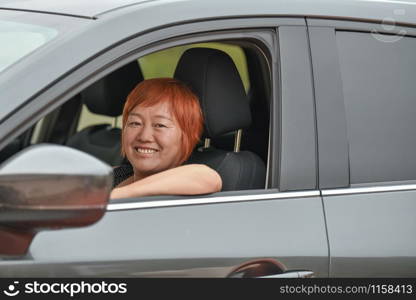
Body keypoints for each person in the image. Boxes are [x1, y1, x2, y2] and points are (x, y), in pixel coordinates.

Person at [110, 78, 222, 199]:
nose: (144, 136)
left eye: (160, 125)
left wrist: (113, 197)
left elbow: (208, 178)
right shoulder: (117, 175)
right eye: (135, 123)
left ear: (186, 137)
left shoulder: (189, 182)